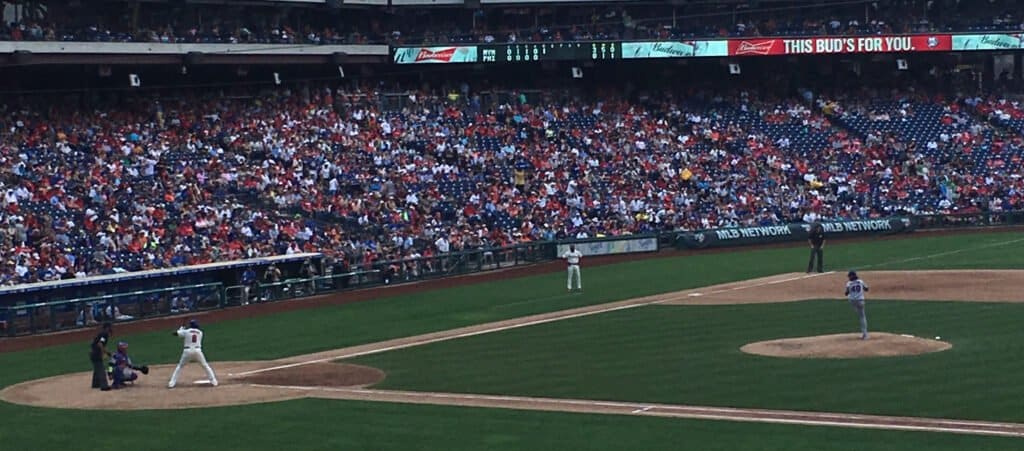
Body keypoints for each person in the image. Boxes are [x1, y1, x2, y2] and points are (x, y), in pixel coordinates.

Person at [167, 319, 218, 388]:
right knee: (205, 366)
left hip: (187, 352)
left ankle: (172, 383)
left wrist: (180, 330)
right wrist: (182, 331)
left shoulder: (186, 331)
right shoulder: (200, 332)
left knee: (179, 366)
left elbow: (174, 333)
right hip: (197, 351)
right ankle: (214, 381)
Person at [845, 271, 870, 340]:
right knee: (862, 316)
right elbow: (867, 289)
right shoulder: (860, 281)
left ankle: (856, 309)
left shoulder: (848, 283)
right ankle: (865, 335)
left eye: (849, 276)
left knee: (859, 313)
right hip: (860, 301)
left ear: (851, 276)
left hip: (852, 301)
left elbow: (846, 293)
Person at [89, 322, 113, 391]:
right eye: (110, 327)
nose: (111, 329)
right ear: (107, 328)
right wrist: (104, 353)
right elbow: (100, 344)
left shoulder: (101, 333)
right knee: (101, 370)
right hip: (96, 354)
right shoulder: (104, 334)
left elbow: (94, 343)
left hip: (93, 353)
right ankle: (104, 386)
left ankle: (95, 384)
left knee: (97, 369)